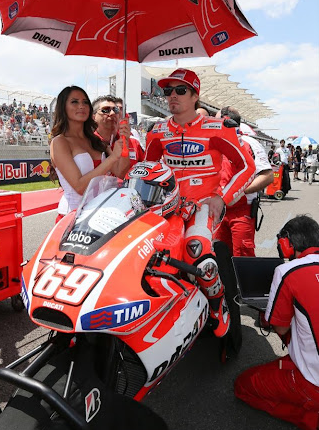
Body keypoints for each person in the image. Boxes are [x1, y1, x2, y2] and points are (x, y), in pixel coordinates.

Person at [144, 68, 256, 338]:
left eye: (180, 90)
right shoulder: (156, 131)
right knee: (153, 255)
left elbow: (247, 167)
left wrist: (222, 197)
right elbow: (145, 168)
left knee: (197, 251)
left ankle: (217, 306)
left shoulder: (218, 128)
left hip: (202, 206)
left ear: (195, 95)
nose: (172, 96)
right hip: (167, 207)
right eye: (167, 91)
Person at [234, 215, 319, 430]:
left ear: (287, 244)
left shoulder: (287, 271)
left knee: (243, 386)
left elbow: (280, 327)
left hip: (313, 383)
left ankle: (311, 419)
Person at [50, 86, 130, 220]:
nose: (81, 106)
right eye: (74, 102)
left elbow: (121, 171)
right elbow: (79, 187)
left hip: (100, 215)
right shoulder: (60, 142)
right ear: (63, 107)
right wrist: (113, 158)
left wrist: (125, 141)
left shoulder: (96, 141)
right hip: (72, 217)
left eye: (85, 102)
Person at [215, 107, 273, 257]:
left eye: (215, 120)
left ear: (226, 120)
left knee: (242, 256)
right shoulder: (214, 144)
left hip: (242, 211)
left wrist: (239, 191)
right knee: (219, 255)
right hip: (218, 210)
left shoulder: (249, 143)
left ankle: (245, 282)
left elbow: (267, 176)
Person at [92, 95, 144, 167]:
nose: (112, 113)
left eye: (115, 110)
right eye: (106, 110)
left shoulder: (134, 143)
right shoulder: (87, 143)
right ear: (93, 117)